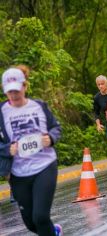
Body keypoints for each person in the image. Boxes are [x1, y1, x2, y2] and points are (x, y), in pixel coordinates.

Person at [0, 65, 62, 236]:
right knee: (30, 223)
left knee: (40, 217)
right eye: (9, 91)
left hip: (45, 165)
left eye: (17, 90)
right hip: (18, 173)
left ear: (25, 86)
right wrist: (7, 149)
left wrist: (50, 138)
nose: (14, 95)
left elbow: (56, 128)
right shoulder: (1, 113)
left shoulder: (39, 106)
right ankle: (53, 232)